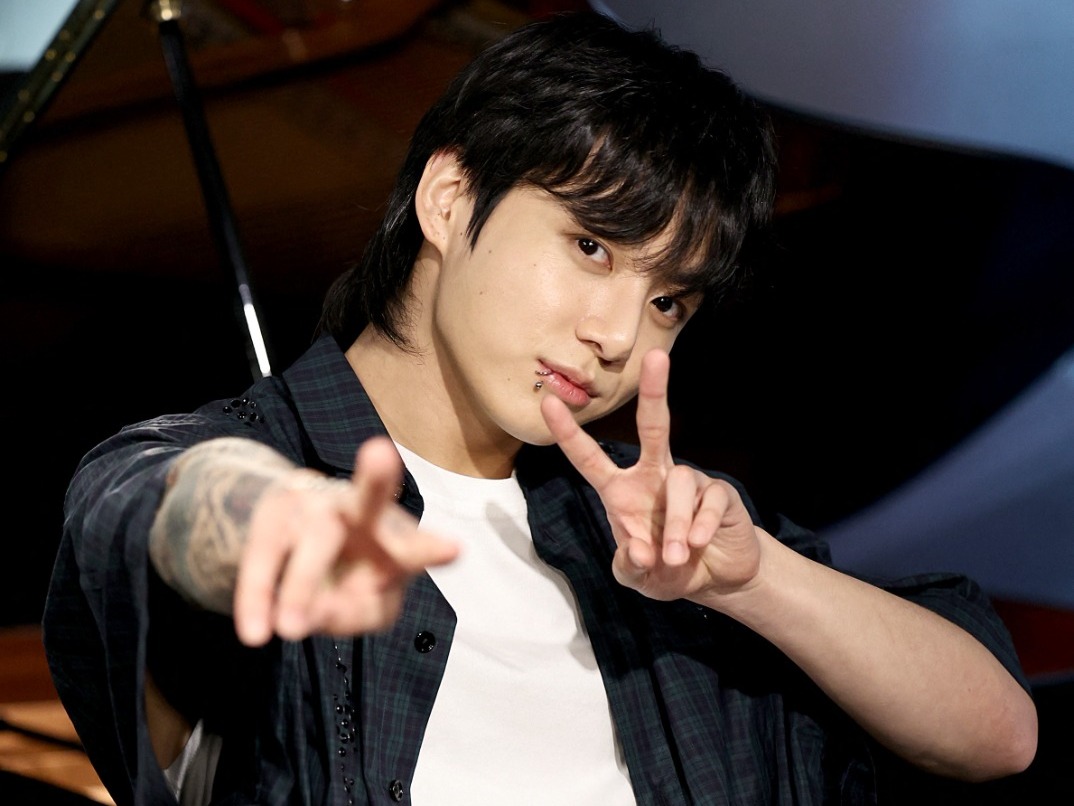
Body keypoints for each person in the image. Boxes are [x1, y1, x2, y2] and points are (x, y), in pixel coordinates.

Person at [43, 10, 1037, 806]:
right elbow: (154, 502)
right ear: (447, 198)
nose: (620, 334)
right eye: (592, 246)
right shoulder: (229, 461)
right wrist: (272, 513)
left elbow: (1001, 735)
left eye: (668, 301)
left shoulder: (652, 538)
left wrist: (754, 581)